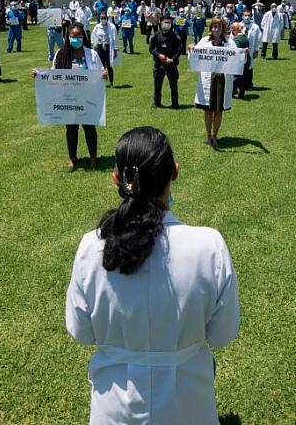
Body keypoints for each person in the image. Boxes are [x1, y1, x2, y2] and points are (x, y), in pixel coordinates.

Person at [65, 127, 239, 425]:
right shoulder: (209, 246)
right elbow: (223, 335)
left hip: (114, 410)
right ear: (175, 172)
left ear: (117, 179)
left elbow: (81, 332)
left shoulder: (90, 248)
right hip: (189, 407)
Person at [31, 23, 108, 170]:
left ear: (83, 37)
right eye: (73, 36)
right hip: (68, 98)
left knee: (89, 128)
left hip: (87, 98)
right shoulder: (61, 54)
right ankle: (72, 157)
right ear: (68, 37)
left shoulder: (92, 54)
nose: (76, 39)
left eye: (79, 36)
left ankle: (93, 158)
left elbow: (100, 72)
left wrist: (104, 75)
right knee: (71, 129)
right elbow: (54, 74)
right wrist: (39, 75)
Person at [190, 17, 243, 148]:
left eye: (219, 26)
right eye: (214, 26)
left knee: (218, 110)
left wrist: (243, 53)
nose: (216, 29)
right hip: (207, 79)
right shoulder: (204, 41)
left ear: (223, 28)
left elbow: (237, 59)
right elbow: (195, 56)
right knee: (207, 110)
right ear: (210, 28)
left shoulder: (230, 43)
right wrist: (191, 47)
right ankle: (208, 135)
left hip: (222, 80)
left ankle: (215, 136)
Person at [150, 14, 182, 108]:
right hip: (159, 64)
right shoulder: (156, 35)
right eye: (165, 22)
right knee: (157, 84)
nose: (167, 24)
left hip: (171, 64)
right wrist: (158, 55)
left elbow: (179, 50)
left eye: (169, 23)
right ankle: (157, 103)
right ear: (161, 22)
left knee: (173, 85)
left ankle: (175, 104)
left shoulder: (175, 36)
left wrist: (172, 59)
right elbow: (151, 49)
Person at [90, 12, 119, 87]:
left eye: (104, 18)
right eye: (101, 18)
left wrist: (115, 50)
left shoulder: (112, 27)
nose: (103, 19)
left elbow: (115, 38)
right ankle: (102, 82)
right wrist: (93, 44)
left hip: (108, 48)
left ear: (107, 18)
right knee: (101, 66)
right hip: (99, 48)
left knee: (110, 66)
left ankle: (111, 82)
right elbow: (93, 36)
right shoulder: (97, 27)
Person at [231, 22, 255, 100]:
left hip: (239, 61)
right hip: (246, 60)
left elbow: (236, 51)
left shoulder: (236, 39)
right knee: (243, 77)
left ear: (234, 30)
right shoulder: (245, 37)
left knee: (236, 77)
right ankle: (241, 93)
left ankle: (231, 91)